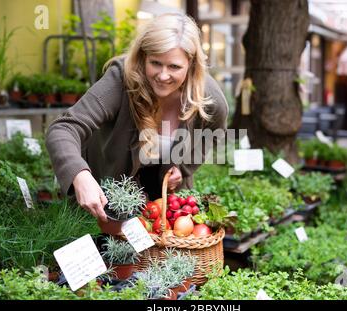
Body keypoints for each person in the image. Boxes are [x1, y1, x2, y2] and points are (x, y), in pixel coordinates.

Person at [45, 13, 228, 224]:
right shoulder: (120, 80)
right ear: (143, 57)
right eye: (156, 63)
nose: (163, 75)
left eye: (174, 67)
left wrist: (183, 167)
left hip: (163, 208)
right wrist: (80, 175)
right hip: (106, 198)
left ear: (191, 64)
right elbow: (64, 129)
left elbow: (213, 133)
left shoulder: (209, 98)